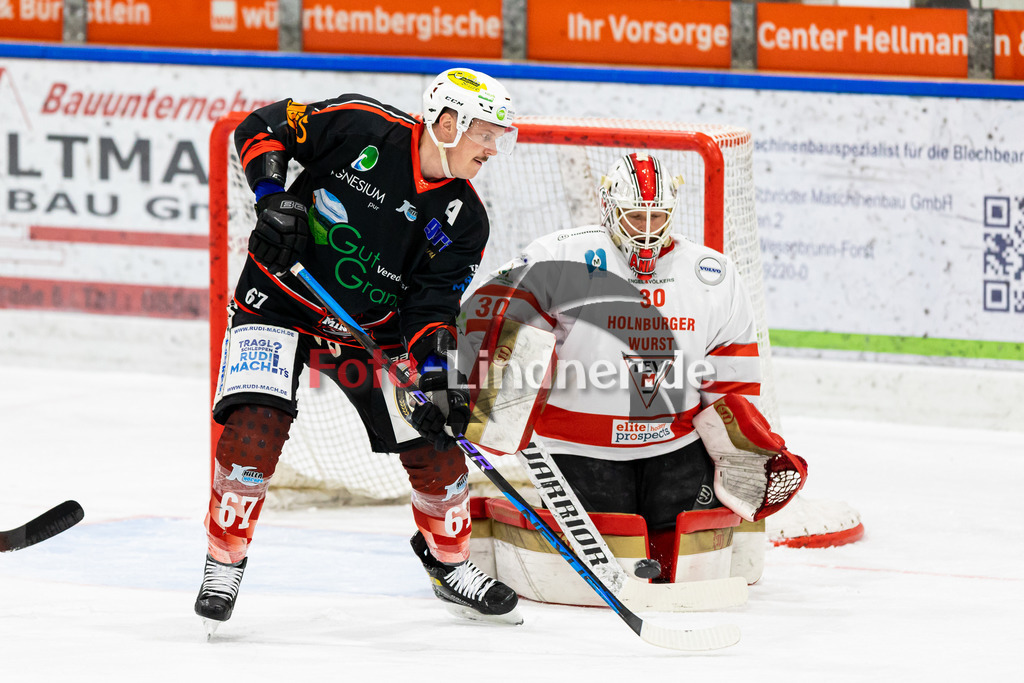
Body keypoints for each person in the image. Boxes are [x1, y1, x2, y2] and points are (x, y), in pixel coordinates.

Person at [196, 68, 522, 631]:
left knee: (435, 439)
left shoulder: (465, 219)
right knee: (254, 429)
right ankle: (222, 561)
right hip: (278, 300)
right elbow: (260, 127)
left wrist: (437, 374)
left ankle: (450, 563)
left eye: (499, 135)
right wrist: (273, 197)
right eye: (485, 132)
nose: (494, 148)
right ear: (447, 122)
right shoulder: (360, 125)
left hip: (372, 334)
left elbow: (430, 309)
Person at [460, 152, 797, 580]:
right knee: (609, 564)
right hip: (577, 446)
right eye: (635, 216)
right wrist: (499, 399)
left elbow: (731, 365)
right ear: (609, 208)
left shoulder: (712, 273)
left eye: (658, 218)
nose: (647, 230)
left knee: (687, 562)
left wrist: (736, 443)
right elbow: (494, 313)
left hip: (676, 444)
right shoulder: (561, 253)